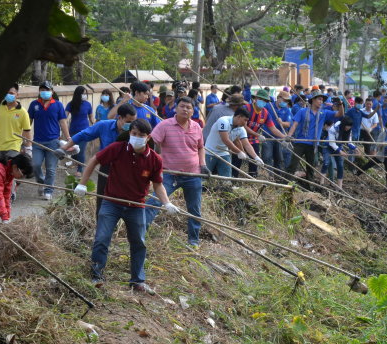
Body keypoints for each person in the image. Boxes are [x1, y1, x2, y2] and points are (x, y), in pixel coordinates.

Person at [75, 119, 179, 293]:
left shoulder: (154, 159)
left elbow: (158, 184)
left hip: (136, 205)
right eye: (134, 134)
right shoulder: (118, 148)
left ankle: (137, 280)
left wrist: (167, 203)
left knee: (139, 242)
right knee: (102, 238)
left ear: (148, 138)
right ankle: (96, 275)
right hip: (111, 202)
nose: (136, 138)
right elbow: (94, 159)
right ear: (130, 133)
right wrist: (82, 183)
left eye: (141, 135)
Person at [144, 97, 207, 247]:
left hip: (193, 175)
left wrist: (203, 164)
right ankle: (139, 234)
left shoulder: (197, 127)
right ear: (176, 108)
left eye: (189, 107)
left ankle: (193, 241)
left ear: (193, 111)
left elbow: (200, 147)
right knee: (154, 203)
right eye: (182, 106)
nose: (185, 109)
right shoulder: (164, 125)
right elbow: (151, 142)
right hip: (169, 174)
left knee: (194, 209)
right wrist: (153, 161)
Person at [62, 103, 138, 216]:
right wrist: (64, 148)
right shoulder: (104, 126)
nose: (131, 125)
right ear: (119, 118)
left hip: (126, 170)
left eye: (133, 121)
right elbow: (83, 135)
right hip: (106, 168)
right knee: (102, 201)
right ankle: (100, 226)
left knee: (125, 203)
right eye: (128, 121)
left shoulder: (136, 131)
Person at [285, 92, 343, 190]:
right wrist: (289, 136)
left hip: (313, 144)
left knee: (311, 167)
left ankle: (309, 188)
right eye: (319, 99)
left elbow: (340, 114)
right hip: (300, 142)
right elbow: (294, 124)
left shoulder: (323, 113)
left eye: (322, 100)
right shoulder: (302, 111)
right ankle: (287, 184)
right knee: (293, 164)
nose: (321, 102)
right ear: (313, 100)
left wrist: (340, 104)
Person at [28, 81, 70, 200]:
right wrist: (26, 139)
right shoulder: (34, 104)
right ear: (39, 92)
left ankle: (48, 190)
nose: (44, 92)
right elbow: (28, 122)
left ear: (52, 91)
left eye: (47, 90)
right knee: (35, 165)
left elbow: (63, 122)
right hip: (37, 142)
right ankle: (42, 181)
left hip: (53, 142)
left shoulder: (58, 105)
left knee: (51, 168)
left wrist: (69, 139)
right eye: (42, 90)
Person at [237, 89, 286, 178]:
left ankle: (252, 179)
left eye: (265, 101)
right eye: (261, 99)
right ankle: (233, 178)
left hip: (253, 140)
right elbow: (244, 127)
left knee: (254, 162)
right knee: (237, 159)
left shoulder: (265, 113)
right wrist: (258, 135)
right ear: (255, 98)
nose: (263, 102)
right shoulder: (246, 108)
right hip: (239, 139)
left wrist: (285, 137)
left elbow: (273, 128)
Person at [205, 108, 256, 178]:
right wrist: (239, 152)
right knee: (204, 177)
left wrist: (256, 157)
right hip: (210, 152)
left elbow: (247, 144)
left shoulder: (241, 129)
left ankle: (226, 188)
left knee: (226, 179)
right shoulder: (223, 121)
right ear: (239, 117)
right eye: (245, 120)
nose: (245, 123)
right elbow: (225, 140)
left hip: (224, 153)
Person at [0, 83, 33, 157]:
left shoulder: (22, 112)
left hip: (13, 148)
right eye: (6, 93)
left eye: (11, 93)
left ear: (17, 95)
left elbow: (27, 131)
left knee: (11, 168)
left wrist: (28, 148)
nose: (8, 95)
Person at [0, 153, 33, 224]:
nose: (22, 177)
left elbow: (6, 195)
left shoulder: (10, 172)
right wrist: (4, 217)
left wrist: (7, 217)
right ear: (15, 167)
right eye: (22, 174)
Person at [358, 121, 387, 189]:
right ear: (386, 128)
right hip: (381, 155)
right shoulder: (382, 134)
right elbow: (378, 144)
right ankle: (358, 173)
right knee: (369, 164)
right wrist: (382, 144)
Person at [65, 86, 94, 176]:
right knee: (74, 151)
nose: (84, 95)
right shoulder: (71, 104)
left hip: (84, 131)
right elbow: (64, 117)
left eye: (85, 93)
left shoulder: (88, 105)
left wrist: (95, 128)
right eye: (82, 93)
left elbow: (91, 119)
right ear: (78, 94)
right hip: (73, 131)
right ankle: (75, 162)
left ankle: (80, 170)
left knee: (81, 150)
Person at [321, 116, 354, 189]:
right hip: (328, 146)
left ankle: (340, 187)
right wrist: (340, 151)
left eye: (349, 127)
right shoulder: (334, 128)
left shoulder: (349, 130)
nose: (347, 128)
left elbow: (349, 141)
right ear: (343, 124)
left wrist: (355, 148)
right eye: (347, 126)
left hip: (339, 147)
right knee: (326, 163)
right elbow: (331, 143)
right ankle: (321, 183)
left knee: (340, 166)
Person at [263, 90, 293, 170]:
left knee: (279, 158)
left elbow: (289, 124)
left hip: (280, 136)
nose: (286, 102)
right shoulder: (269, 106)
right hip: (267, 135)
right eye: (284, 100)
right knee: (267, 156)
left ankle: (278, 176)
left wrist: (282, 123)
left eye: (287, 101)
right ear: (278, 98)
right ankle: (268, 175)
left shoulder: (287, 110)